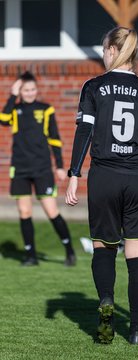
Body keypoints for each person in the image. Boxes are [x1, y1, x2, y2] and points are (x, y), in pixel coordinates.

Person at [65, 27, 138, 345]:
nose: (102, 54)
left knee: (104, 249)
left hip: (105, 177)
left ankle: (106, 317)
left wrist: (74, 174)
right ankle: (136, 332)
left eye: (103, 48)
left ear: (113, 49)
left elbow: (83, 134)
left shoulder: (94, 87)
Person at [0, 71, 76, 266]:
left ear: (37, 90)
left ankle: (69, 250)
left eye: (33, 89)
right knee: (24, 212)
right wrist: (12, 95)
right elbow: (2, 119)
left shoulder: (46, 109)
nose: (30, 93)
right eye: (25, 90)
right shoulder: (14, 110)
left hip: (42, 168)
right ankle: (31, 255)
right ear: (20, 91)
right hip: (20, 169)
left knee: (51, 210)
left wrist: (59, 166)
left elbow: (55, 139)